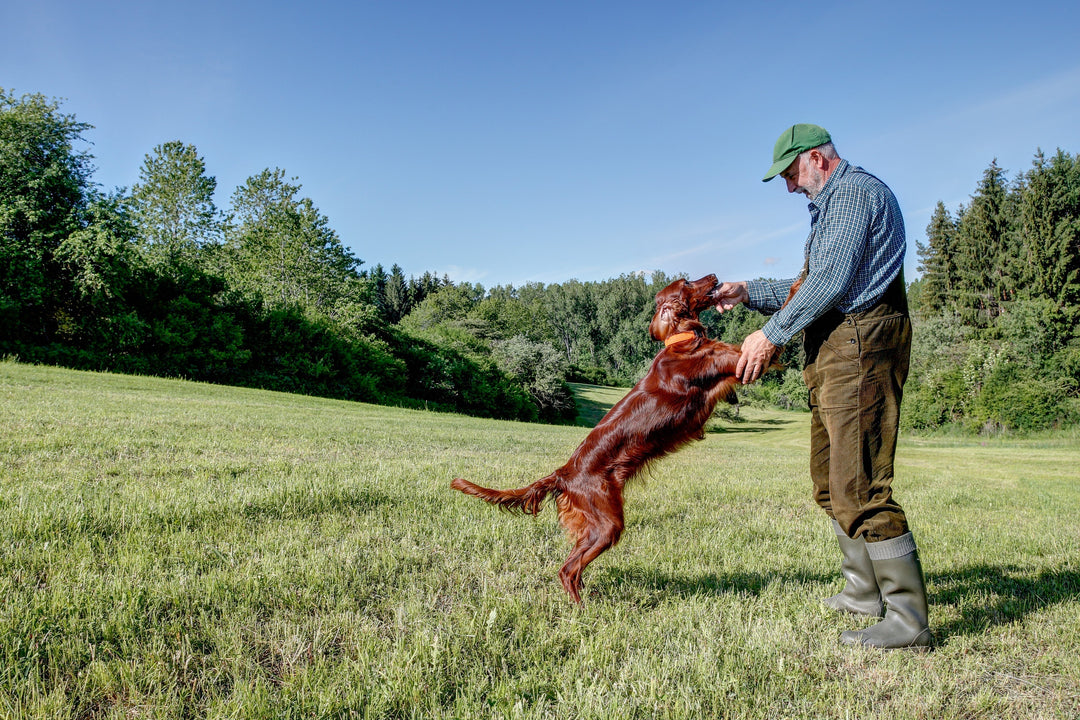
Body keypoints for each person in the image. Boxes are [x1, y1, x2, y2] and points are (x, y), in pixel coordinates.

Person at [713, 124, 932, 650]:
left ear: (817, 158)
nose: (790, 187)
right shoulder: (832, 206)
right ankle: (863, 593)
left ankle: (908, 622)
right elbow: (811, 284)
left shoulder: (854, 194)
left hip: (860, 345)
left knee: (861, 486)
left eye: (791, 174)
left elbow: (831, 284)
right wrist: (749, 292)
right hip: (837, 350)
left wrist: (771, 334)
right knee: (829, 483)